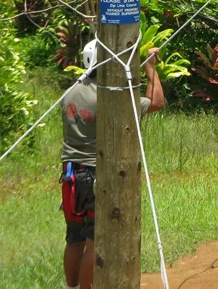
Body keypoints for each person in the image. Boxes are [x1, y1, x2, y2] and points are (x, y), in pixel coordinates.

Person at [60, 40, 165, 289]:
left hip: (70, 174)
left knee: (75, 238)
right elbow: (157, 102)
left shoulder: (71, 92)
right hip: (96, 177)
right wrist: (150, 69)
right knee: (95, 240)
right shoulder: (111, 97)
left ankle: (71, 287)